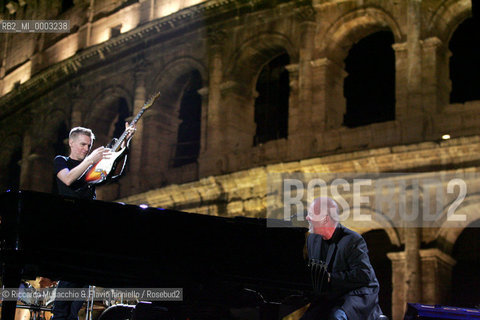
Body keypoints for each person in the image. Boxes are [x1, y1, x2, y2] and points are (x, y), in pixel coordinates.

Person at [51, 125, 134, 320]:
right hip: (70, 227)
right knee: (69, 278)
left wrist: (126, 141)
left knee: (83, 280)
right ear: (71, 143)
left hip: (88, 227)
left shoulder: (92, 167)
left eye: (89, 145)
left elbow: (116, 171)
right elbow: (69, 179)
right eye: (82, 144)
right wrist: (90, 160)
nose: (86, 149)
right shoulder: (61, 161)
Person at [300, 197, 383, 320]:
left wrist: (330, 278)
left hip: (355, 293)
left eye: (311, 214)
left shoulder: (353, 240)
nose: (307, 218)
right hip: (330, 295)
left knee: (336, 317)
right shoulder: (312, 239)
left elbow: (364, 274)